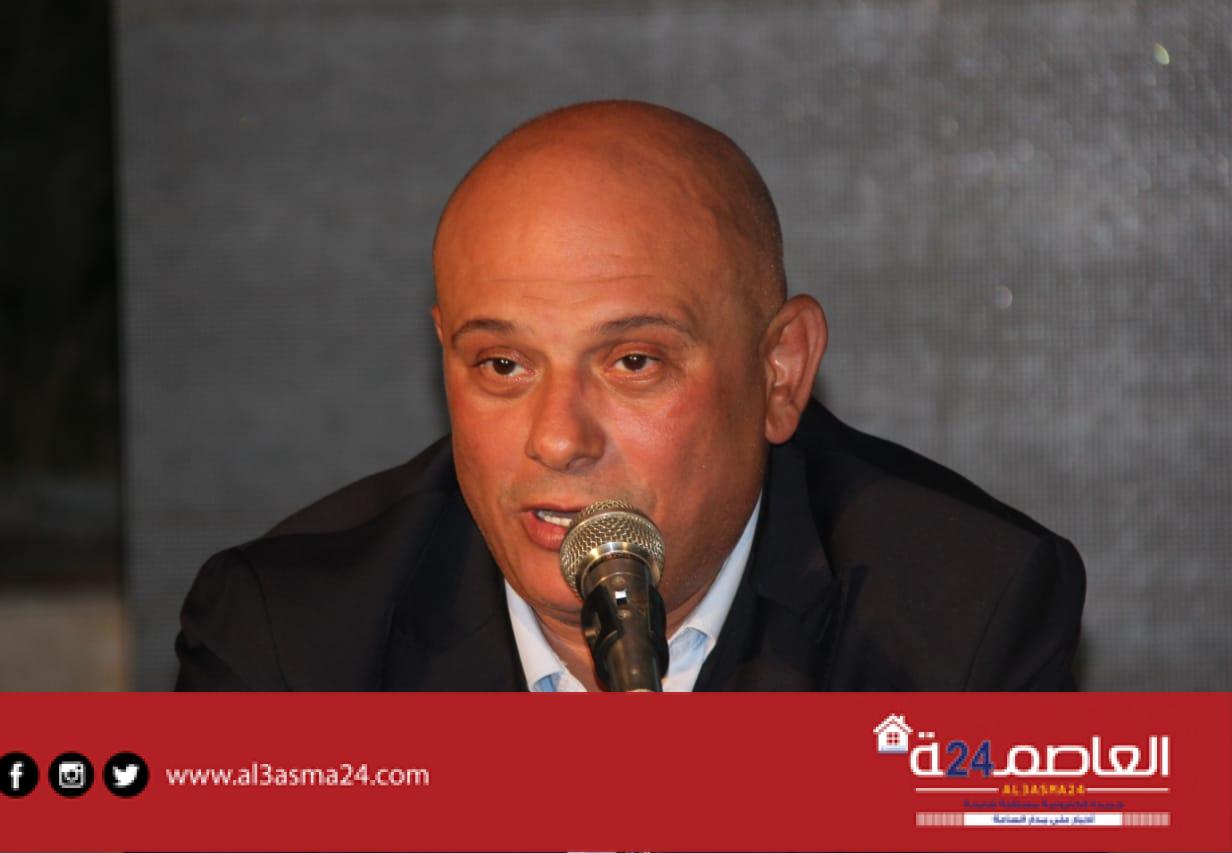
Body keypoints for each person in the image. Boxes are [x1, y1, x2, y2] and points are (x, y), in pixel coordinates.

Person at [175, 100, 1085, 692]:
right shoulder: (290, 636)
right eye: (502, 365)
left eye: (633, 362)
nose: (558, 439)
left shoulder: (961, 614)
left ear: (780, 373)